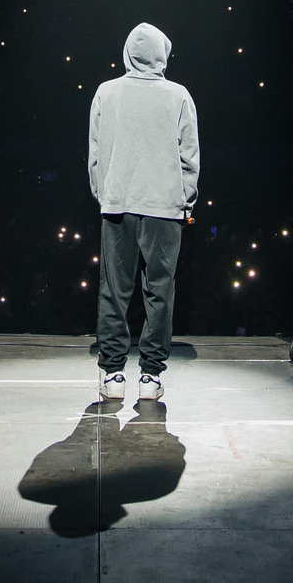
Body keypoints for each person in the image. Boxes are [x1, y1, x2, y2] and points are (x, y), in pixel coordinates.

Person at [87, 22, 199, 404]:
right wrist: (186, 201)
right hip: (164, 208)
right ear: (162, 53)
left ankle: (113, 373)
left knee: (114, 292)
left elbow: (95, 156)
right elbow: (190, 158)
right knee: (159, 292)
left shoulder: (106, 93)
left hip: (118, 203)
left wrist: (106, 195)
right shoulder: (179, 95)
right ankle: (150, 376)